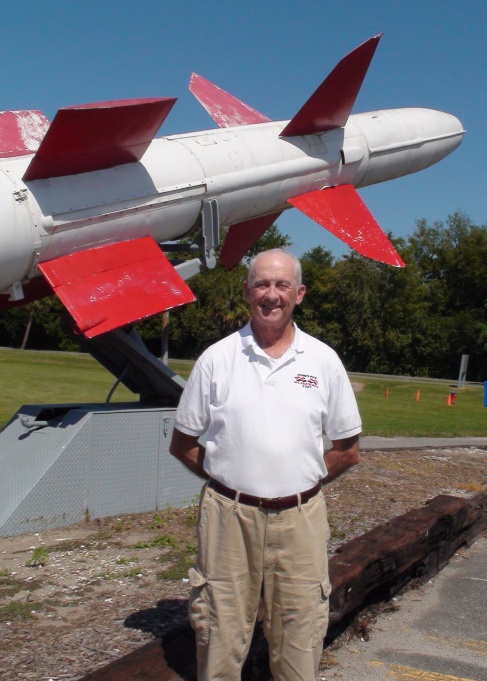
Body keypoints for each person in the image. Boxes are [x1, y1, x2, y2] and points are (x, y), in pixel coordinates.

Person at [170, 249, 362, 681]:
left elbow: (348, 449)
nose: (271, 295)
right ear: (246, 291)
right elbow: (182, 444)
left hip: (301, 519)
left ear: (299, 293)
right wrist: (230, 479)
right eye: (261, 284)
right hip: (228, 520)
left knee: (299, 640)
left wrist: (299, 483)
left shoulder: (323, 361)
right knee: (219, 637)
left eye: (281, 285)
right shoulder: (217, 359)